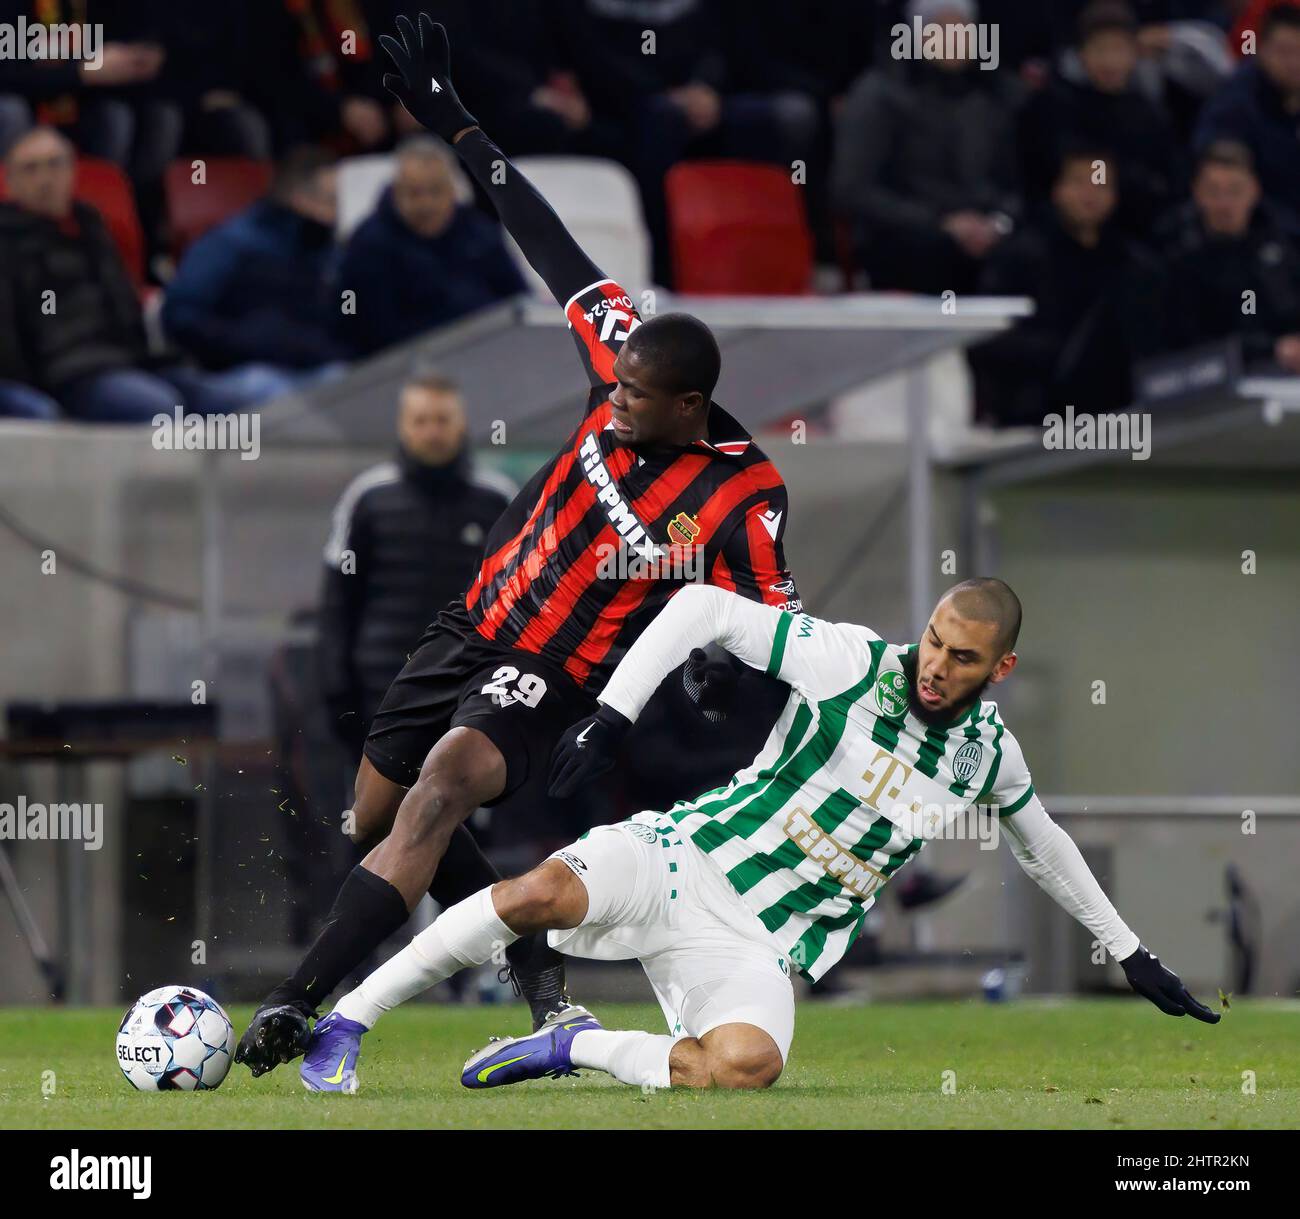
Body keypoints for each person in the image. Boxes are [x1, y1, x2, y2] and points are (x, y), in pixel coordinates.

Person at [234, 15, 803, 1078]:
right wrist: (452, 118)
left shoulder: (742, 491)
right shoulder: (619, 344)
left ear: (691, 405)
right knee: (377, 822)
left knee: (442, 788)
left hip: (559, 673)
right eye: (614, 386)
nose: (613, 403)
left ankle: (298, 1005)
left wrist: (724, 673)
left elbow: (775, 618)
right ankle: (544, 992)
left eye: (634, 398)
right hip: (473, 625)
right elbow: (541, 234)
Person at [300, 578, 1219, 1093]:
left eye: (963, 657)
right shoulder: (854, 661)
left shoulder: (990, 757)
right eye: (935, 639)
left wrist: (1131, 953)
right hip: (685, 858)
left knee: (743, 1069)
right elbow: (705, 605)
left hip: (763, 945)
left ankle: (567, 1044)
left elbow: (1042, 843)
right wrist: (617, 714)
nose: (936, 664)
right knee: (535, 894)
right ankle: (346, 1022)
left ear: (1001, 668)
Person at [0, 127, 285, 422]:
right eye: (31, 169)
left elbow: (123, 302)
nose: (45, 179)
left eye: (55, 164)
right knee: (163, 407)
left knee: (244, 399)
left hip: (130, 361)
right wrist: (35, 391)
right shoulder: (6, 240)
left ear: (72, 170)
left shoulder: (91, 226)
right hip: (70, 375)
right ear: (10, 180)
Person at [318, 372, 515, 760]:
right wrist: (335, 688)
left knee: (458, 807)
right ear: (403, 425)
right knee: (374, 813)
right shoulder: (368, 499)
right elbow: (337, 602)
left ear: (461, 423)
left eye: (442, 420)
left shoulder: (496, 501)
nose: (432, 432)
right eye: (421, 421)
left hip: (465, 691)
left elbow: (519, 601)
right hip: (381, 690)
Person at [831, 0, 1022, 294]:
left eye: (962, 29)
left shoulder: (995, 94)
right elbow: (851, 188)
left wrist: (998, 222)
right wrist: (939, 224)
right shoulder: (880, 93)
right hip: (906, 235)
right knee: (936, 257)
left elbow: (1019, 178)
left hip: (986, 232)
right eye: (940, 29)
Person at [968, 148, 1161, 425]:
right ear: (1057, 189)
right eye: (1079, 182)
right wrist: (1060, 353)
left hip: (1117, 412)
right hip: (1034, 411)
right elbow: (989, 339)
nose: (1090, 194)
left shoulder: (1133, 265)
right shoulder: (1019, 257)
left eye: (1101, 183)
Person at [161, 147, 344, 382]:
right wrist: (245, 341)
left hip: (318, 364)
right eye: (330, 202)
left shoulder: (328, 249)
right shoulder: (231, 243)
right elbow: (181, 315)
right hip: (242, 371)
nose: (336, 213)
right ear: (300, 199)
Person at [336, 137, 525, 357]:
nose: (426, 204)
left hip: (489, 350)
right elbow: (375, 332)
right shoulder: (368, 245)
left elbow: (517, 298)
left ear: (453, 190)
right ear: (397, 191)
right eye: (414, 193)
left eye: (436, 191)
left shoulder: (479, 231)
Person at [1018, 1, 1184, 237]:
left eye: (1118, 49)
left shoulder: (1150, 114)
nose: (1109, 61)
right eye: (1100, 49)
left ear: (1135, 53)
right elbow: (1040, 177)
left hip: (1134, 235)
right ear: (1082, 54)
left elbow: (1167, 182)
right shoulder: (1055, 108)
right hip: (1060, 232)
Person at [1155, 140, 1300, 371]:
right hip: (1215, 383)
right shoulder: (1179, 258)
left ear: (1254, 190)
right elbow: (1190, 342)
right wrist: (1272, 348)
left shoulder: (1276, 244)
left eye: (1235, 191)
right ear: (1197, 193)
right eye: (1213, 192)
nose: (1224, 204)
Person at [1196, 2, 1300, 235]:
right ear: (1261, 50)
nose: (1294, 62)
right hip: (1259, 228)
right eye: (1284, 51)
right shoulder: (1234, 105)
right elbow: (1223, 177)